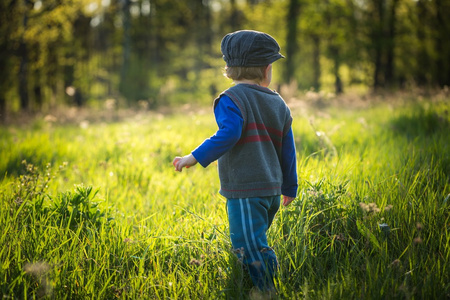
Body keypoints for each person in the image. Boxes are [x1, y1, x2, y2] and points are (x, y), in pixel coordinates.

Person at [173, 30, 298, 295]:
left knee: (248, 243)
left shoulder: (231, 99)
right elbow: (288, 148)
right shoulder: (279, 102)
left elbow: (229, 133)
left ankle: (267, 287)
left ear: (229, 68)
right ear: (266, 69)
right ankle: (251, 278)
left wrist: (193, 157)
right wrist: (290, 186)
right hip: (272, 189)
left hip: (246, 189)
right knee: (254, 238)